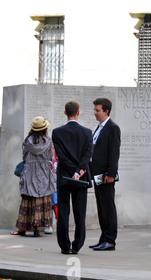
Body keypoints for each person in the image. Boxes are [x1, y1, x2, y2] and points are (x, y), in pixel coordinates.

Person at [52, 101, 93, 254]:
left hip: (64, 177)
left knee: (63, 212)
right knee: (80, 213)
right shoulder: (87, 132)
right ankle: (77, 246)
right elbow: (87, 155)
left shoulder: (57, 132)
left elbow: (61, 156)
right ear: (78, 113)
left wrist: (72, 171)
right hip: (81, 177)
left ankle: (64, 245)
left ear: (65, 113)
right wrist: (79, 170)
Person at [11, 116, 56, 237]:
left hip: (29, 172)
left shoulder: (27, 141)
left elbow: (25, 157)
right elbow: (50, 157)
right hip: (44, 173)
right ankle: (37, 229)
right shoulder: (48, 141)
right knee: (41, 199)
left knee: (27, 199)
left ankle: (22, 229)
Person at [89, 97, 121, 251]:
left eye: (97, 110)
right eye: (95, 110)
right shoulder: (100, 128)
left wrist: (111, 174)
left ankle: (110, 240)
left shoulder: (112, 128)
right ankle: (103, 238)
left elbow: (114, 153)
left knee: (108, 207)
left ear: (106, 111)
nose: (95, 113)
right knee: (101, 207)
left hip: (106, 176)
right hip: (97, 175)